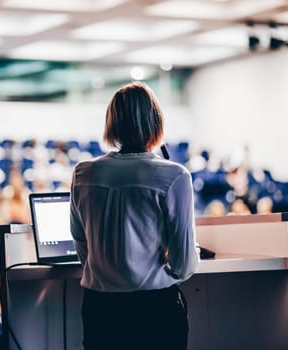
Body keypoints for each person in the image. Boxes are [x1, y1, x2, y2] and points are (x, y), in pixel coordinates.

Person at [70, 82, 199, 350]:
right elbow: (184, 265)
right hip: (154, 309)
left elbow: (81, 241)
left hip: (100, 307)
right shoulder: (174, 175)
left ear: (112, 123)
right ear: (156, 122)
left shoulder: (84, 173)